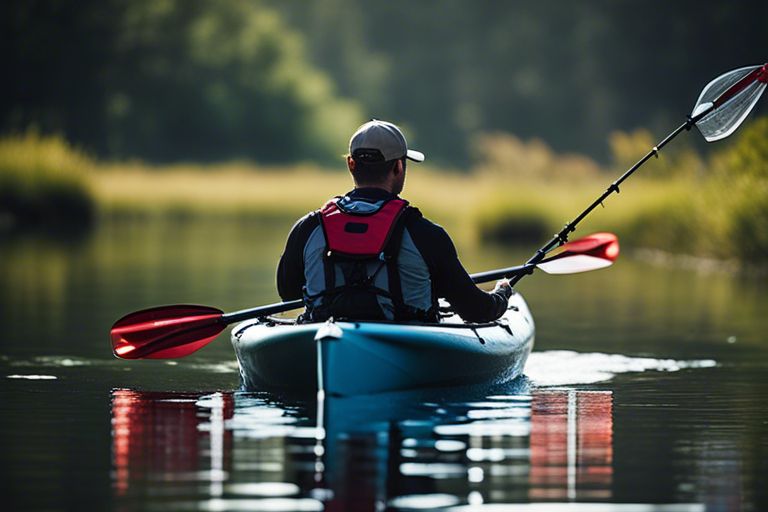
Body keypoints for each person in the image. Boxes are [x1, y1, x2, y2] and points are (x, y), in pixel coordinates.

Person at [277, 119, 512, 323]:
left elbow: (288, 295)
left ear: (351, 164)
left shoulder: (307, 228)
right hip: (406, 340)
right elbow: (478, 311)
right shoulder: (426, 234)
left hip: (328, 334)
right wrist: (502, 293)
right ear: (398, 166)